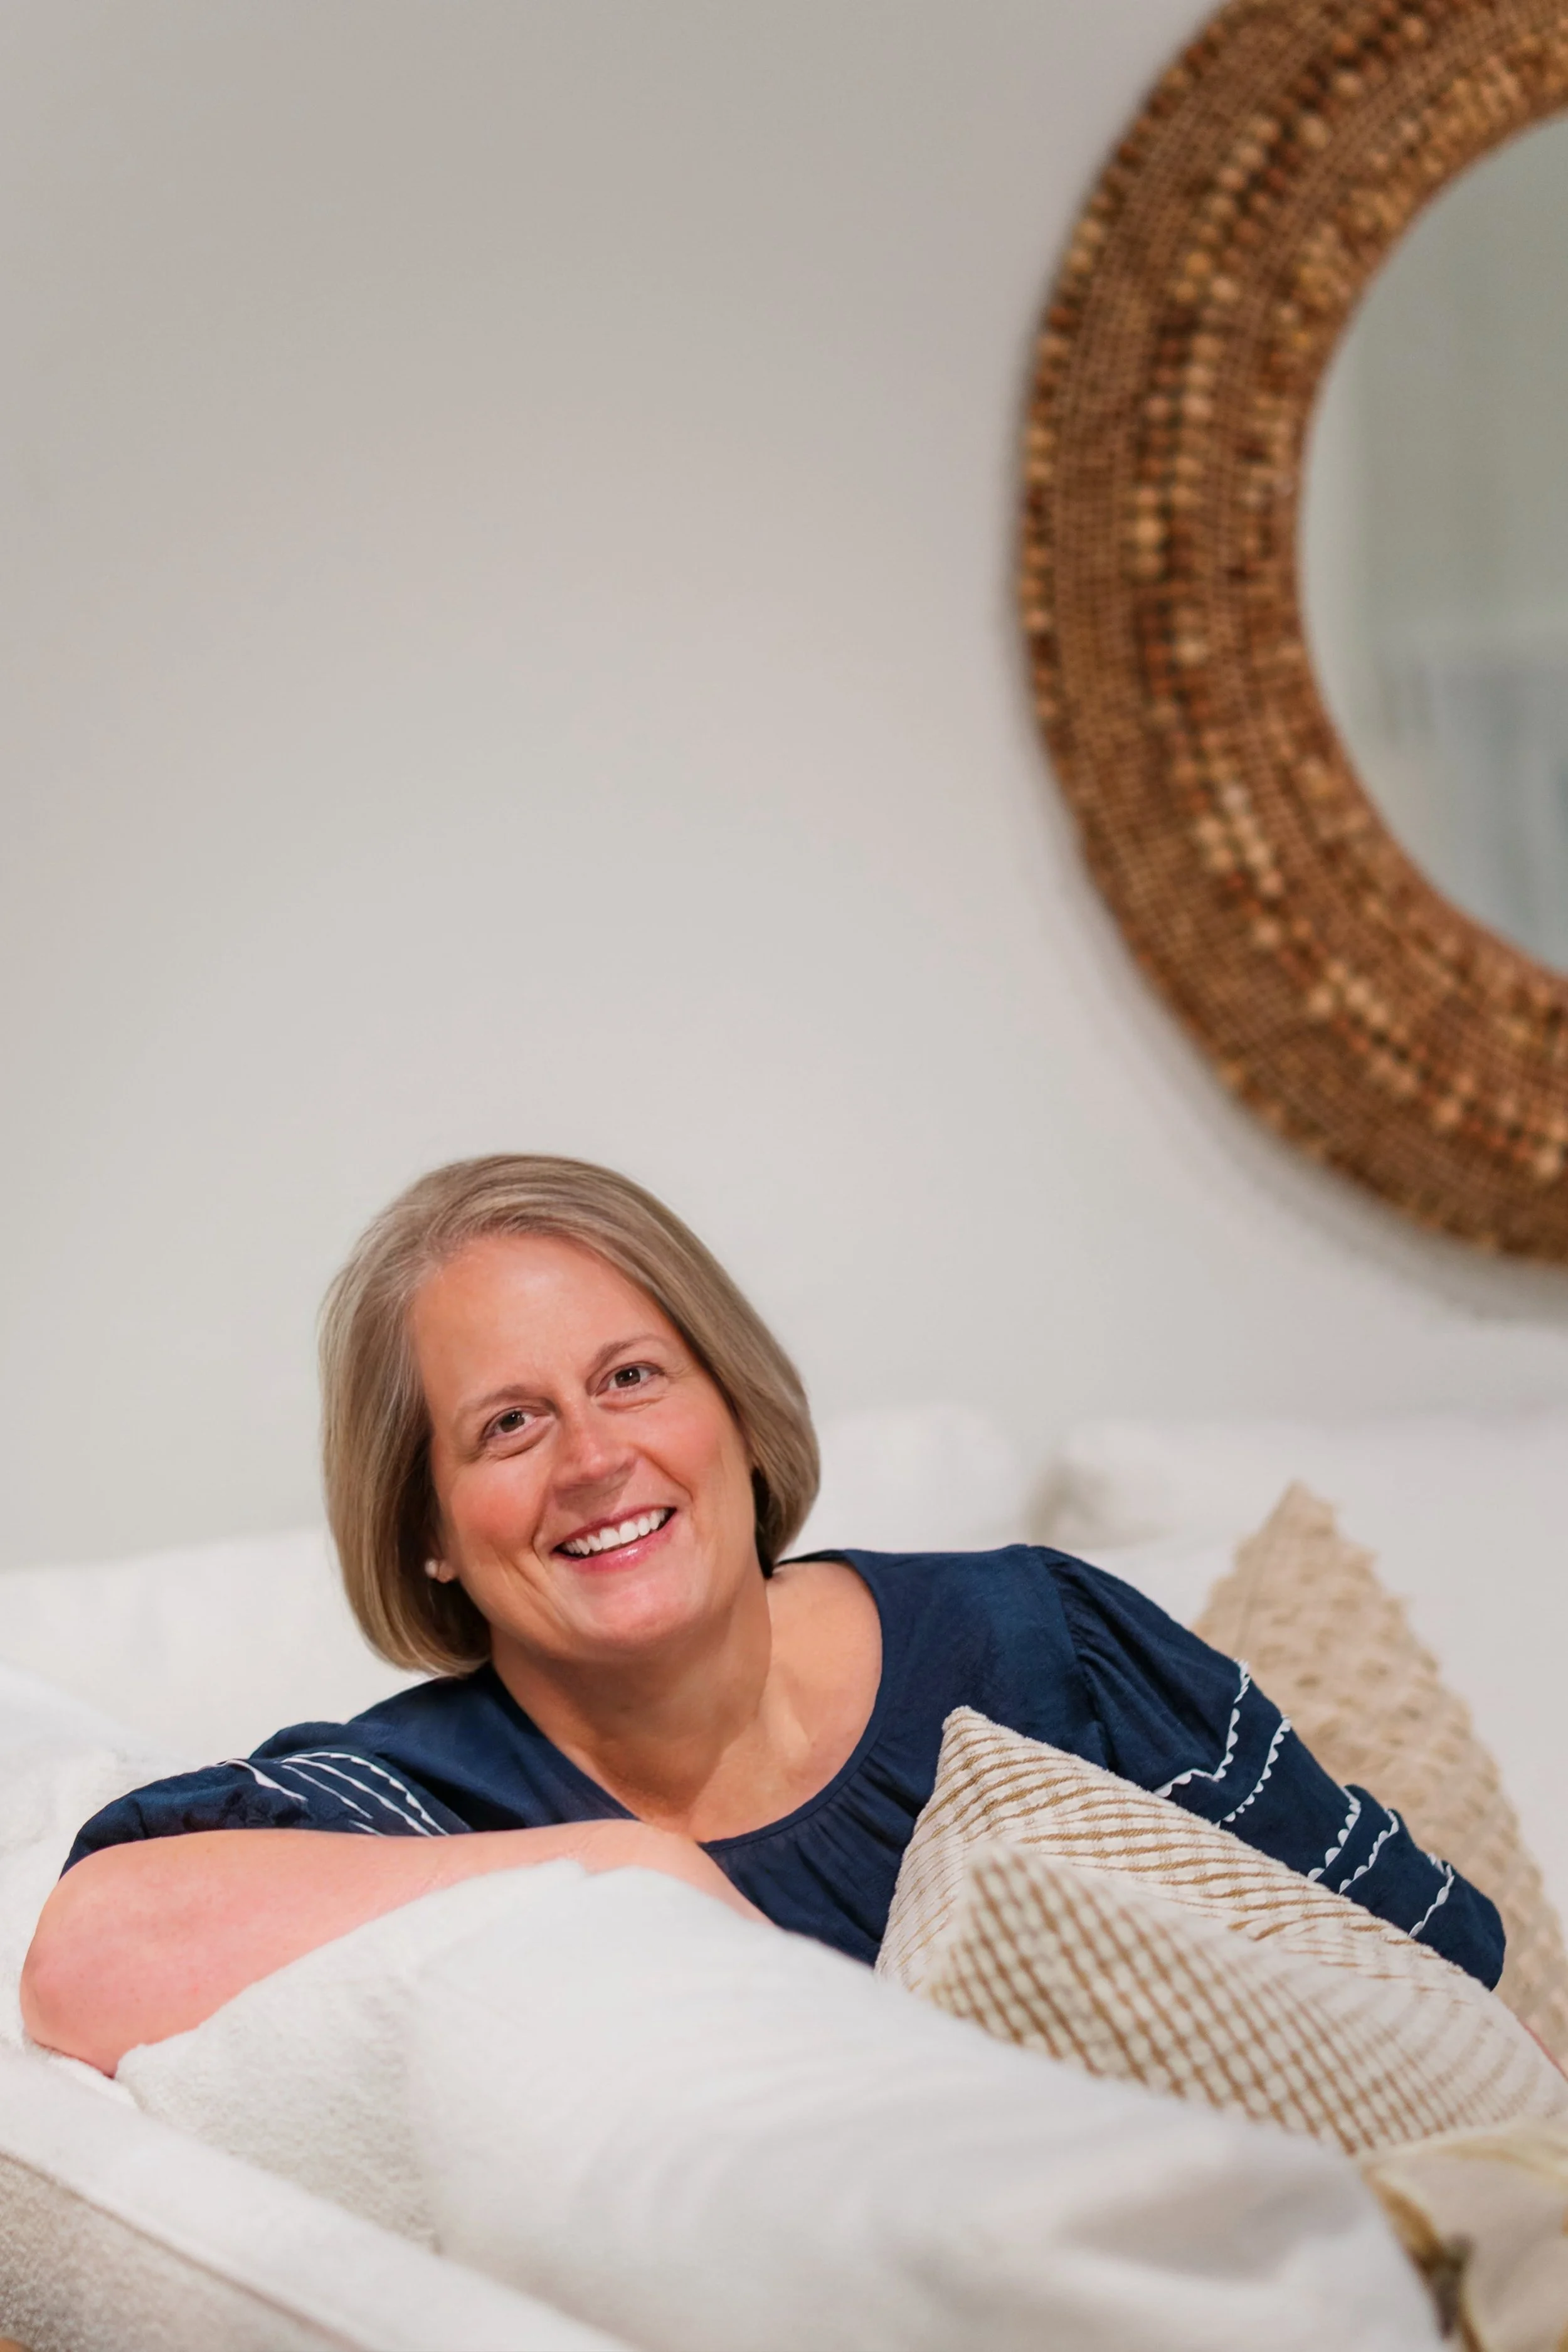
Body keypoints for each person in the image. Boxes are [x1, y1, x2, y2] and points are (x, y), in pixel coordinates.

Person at [23, 1155, 1504, 2074]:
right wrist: (621, 1865)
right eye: (508, 1424)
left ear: (732, 1405)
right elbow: (88, 1958)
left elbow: (1441, 1980)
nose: (595, 1459)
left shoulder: (1046, 1648)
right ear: (424, 1533)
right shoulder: (425, 1797)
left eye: (629, 1378)